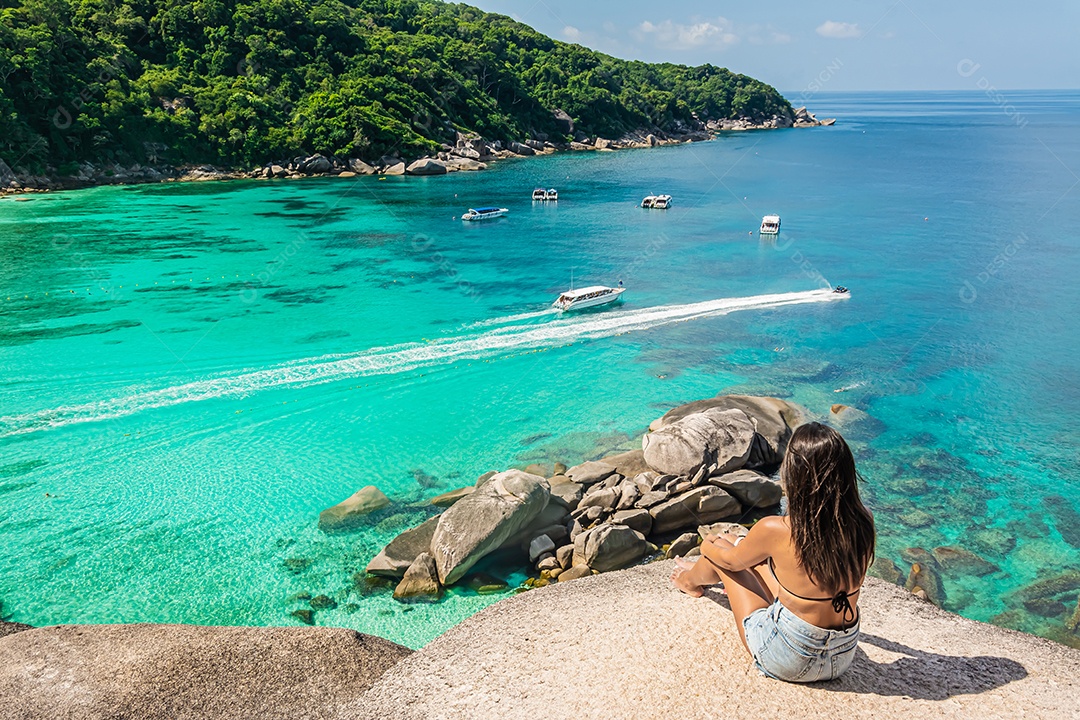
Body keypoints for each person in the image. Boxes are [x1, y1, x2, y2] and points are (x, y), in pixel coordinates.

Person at [670, 422, 875, 682]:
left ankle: (689, 581)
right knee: (735, 542)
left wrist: (707, 544)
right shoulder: (864, 520)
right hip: (843, 654)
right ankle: (700, 571)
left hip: (790, 657)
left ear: (795, 476)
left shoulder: (777, 529)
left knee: (722, 550)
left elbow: (731, 563)